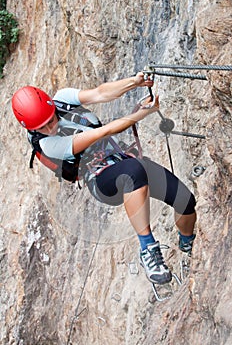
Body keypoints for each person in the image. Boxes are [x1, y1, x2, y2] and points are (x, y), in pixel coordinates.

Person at [12, 72, 196, 285]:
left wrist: (133, 82)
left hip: (122, 159)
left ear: (52, 106)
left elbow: (100, 93)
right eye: (40, 128)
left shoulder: (62, 99)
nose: (49, 128)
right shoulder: (47, 144)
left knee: (185, 200)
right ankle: (148, 249)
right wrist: (143, 114)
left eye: (50, 120)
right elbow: (102, 132)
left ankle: (187, 243)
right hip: (100, 179)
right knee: (133, 172)